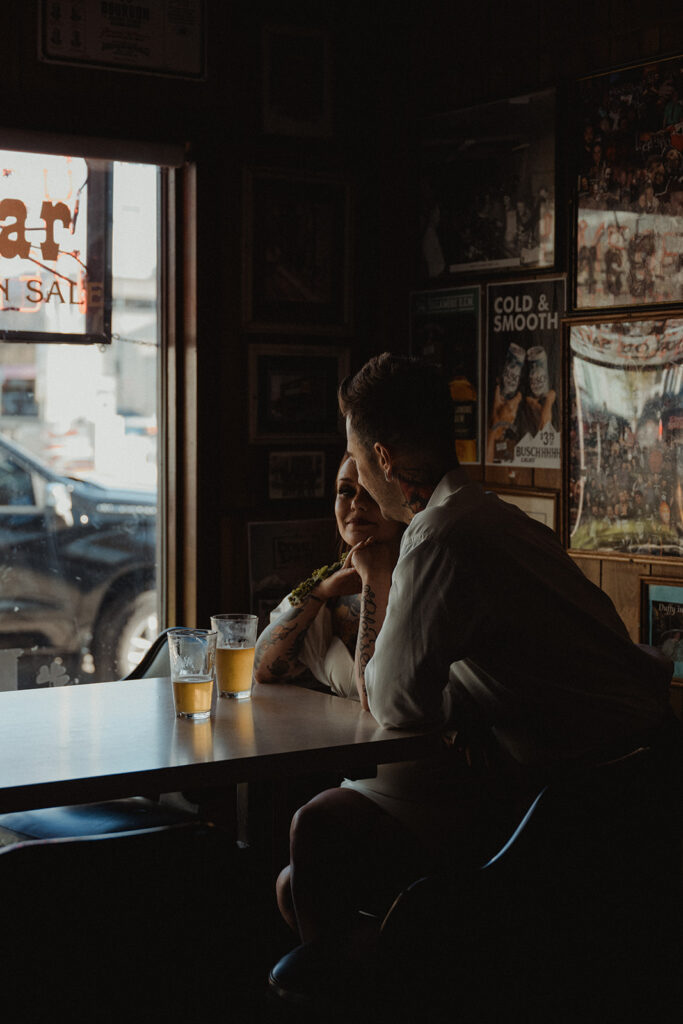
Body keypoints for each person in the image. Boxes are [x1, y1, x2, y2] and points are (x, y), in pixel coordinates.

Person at [275, 351, 677, 948]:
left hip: (584, 808)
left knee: (317, 831)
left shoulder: (437, 539)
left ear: (381, 458)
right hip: (643, 776)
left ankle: (351, 989)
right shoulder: (494, 518)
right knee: (308, 866)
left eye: (359, 461)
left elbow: (395, 704)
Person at [253, 453, 403, 698]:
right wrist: (320, 593)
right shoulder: (327, 588)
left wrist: (375, 577)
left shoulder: (421, 582)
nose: (357, 502)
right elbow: (265, 670)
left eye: (372, 489)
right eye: (346, 490)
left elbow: (380, 697)